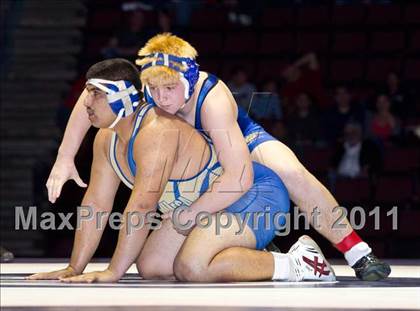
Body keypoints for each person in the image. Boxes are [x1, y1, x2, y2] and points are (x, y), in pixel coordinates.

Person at [46, 33, 390, 281]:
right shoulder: (149, 87)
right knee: (154, 264)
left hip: (235, 140)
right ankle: (253, 251)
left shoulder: (212, 99)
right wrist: (65, 157)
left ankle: (357, 250)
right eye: (154, 90)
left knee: (289, 172)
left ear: (190, 79)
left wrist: (192, 213)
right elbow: (92, 96)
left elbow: (239, 176)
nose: (162, 99)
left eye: (170, 89)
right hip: (197, 163)